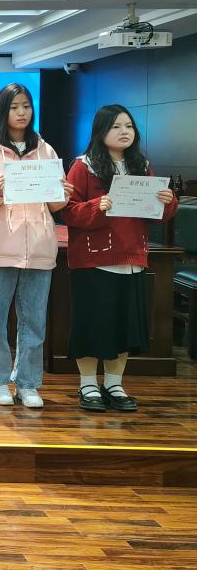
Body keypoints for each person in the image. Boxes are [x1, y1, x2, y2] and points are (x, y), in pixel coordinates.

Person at [61, 104, 177, 412]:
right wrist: (96, 206)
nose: (125, 131)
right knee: (92, 325)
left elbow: (157, 215)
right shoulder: (83, 166)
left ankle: (114, 383)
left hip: (132, 259)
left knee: (125, 326)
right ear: (100, 132)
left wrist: (167, 201)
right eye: (116, 126)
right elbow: (67, 211)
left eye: (129, 126)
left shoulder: (141, 165)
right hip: (93, 261)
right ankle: (87, 384)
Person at [0, 82, 71, 409]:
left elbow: (54, 206)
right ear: (2, 111)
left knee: (34, 321)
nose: (22, 112)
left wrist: (63, 194)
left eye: (26, 106)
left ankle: (28, 383)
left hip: (39, 247)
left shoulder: (46, 149)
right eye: (14, 107)